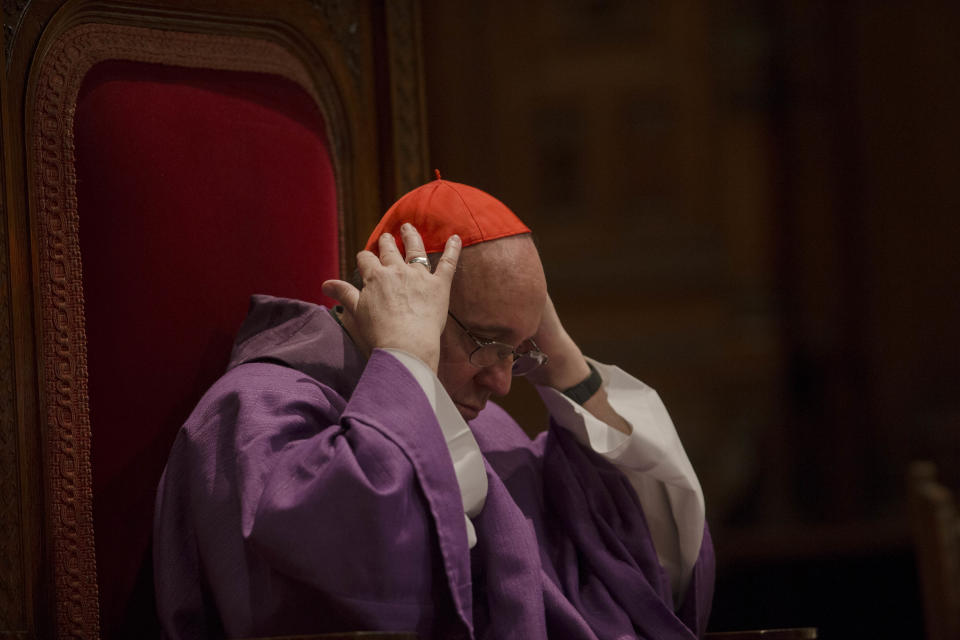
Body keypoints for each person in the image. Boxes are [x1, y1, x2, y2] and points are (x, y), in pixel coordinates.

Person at [153, 176, 715, 639]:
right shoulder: (258, 410)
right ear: (411, 302)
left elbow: (632, 573)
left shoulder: (485, 426)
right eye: (487, 345)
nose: (502, 383)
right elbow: (353, 582)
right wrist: (403, 353)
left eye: (517, 352)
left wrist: (558, 354)